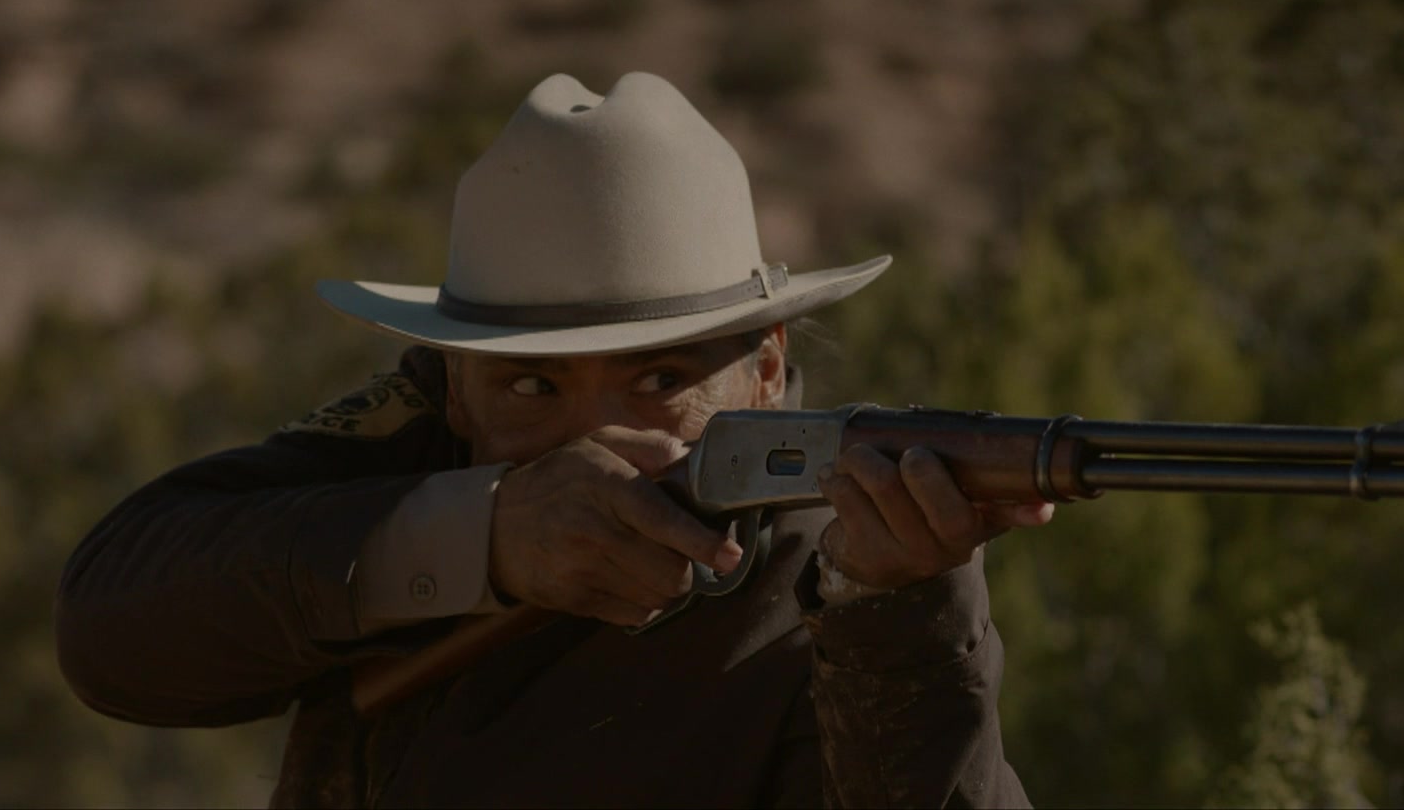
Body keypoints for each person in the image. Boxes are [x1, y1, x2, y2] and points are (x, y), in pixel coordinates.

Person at [55, 72, 1052, 808]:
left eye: (661, 380)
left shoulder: (829, 579)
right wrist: (479, 541)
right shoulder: (415, 454)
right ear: (454, 387)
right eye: (535, 384)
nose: (598, 443)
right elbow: (112, 628)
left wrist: (900, 619)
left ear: (765, 370)